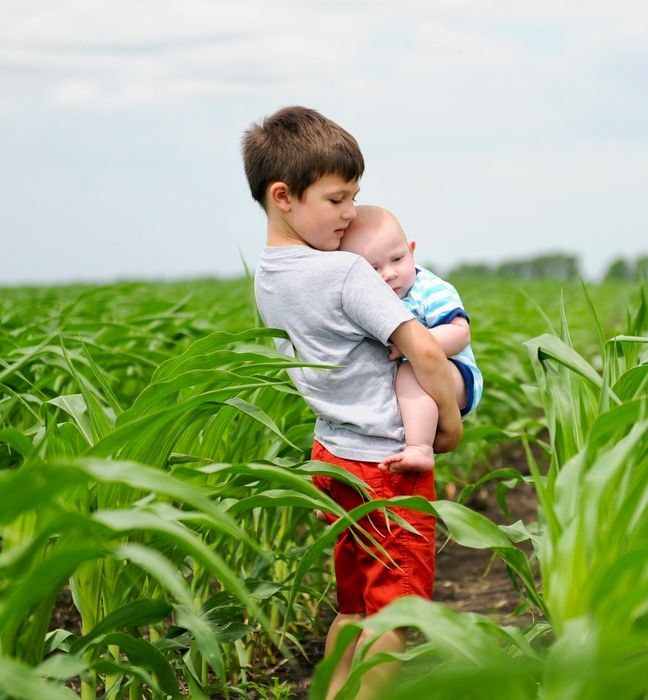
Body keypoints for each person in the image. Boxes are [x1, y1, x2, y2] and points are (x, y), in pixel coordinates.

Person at [243, 106, 462, 700]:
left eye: (355, 197)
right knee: (395, 614)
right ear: (283, 196)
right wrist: (448, 424)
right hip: (386, 465)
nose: (351, 214)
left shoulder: (268, 275)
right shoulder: (344, 274)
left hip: (333, 458)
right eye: (337, 200)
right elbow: (425, 351)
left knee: (355, 607)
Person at [338, 206, 482, 474]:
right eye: (373, 268)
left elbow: (460, 334)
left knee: (409, 368)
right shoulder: (365, 302)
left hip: (456, 376)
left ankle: (421, 449)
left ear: (412, 250)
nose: (389, 273)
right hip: (413, 387)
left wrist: (412, 347)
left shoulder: (429, 289)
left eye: (397, 259)